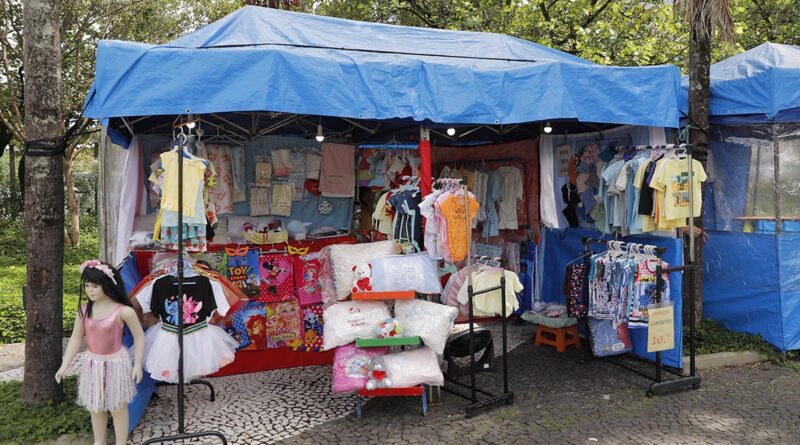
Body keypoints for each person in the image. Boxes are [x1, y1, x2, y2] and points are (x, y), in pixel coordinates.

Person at [56, 260, 144, 445]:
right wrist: (64, 365)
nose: (90, 290)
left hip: (116, 363)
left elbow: (139, 337)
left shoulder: (124, 311)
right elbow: (75, 339)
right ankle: (99, 441)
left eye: (95, 286)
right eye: (87, 285)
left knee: (118, 406)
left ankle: (121, 442)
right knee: (95, 405)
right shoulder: (84, 311)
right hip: (92, 364)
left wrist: (137, 364)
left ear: (107, 284)